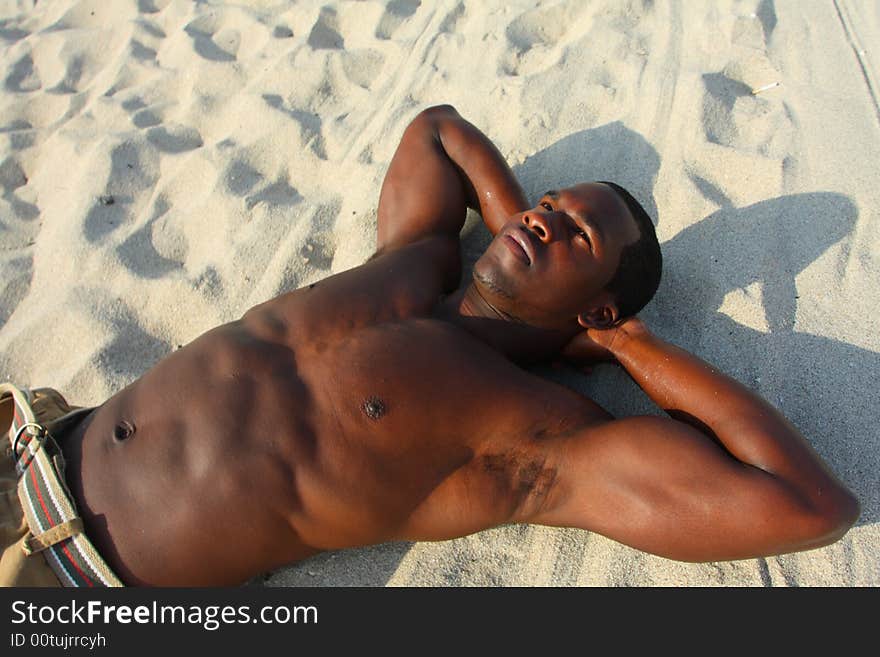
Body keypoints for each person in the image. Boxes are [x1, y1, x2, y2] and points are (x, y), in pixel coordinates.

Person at [1, 105, 859, 587]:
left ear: (595, 308)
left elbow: (809, 505)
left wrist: (632, 346)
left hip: (73, 586)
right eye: (552, 202)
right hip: (30, 445)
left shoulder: (537, 438)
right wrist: (509, 218)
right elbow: (437, 128)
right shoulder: (411, 262)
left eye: (575, 236)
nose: (543, 217)